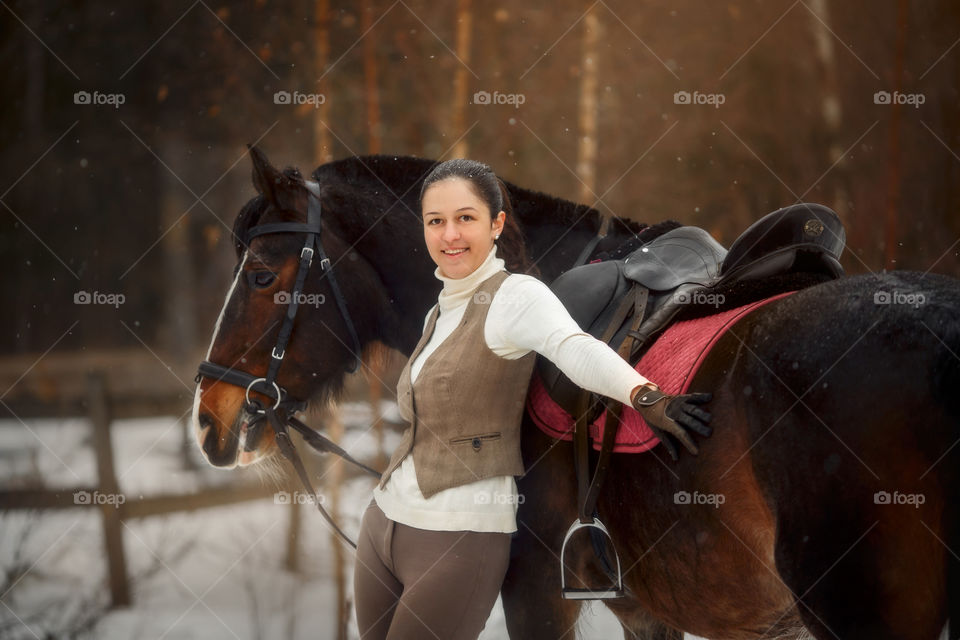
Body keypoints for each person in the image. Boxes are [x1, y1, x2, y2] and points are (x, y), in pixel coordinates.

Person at [353, 159, 712, 640]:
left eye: (466, 218)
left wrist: (645, 395)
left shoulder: (516, 297)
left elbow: (574, 347)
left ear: (496, 223)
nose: (449, 234)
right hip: (382, 527)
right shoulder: (437, 310)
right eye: (435, 221)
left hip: (459, 537)